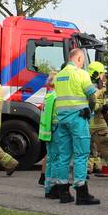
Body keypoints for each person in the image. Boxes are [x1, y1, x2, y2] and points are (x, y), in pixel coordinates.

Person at [50, 48, 100, 205]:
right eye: (83, 60)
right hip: (78, 119)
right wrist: (91, 109)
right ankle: (82, 193)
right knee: (81, 155)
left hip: (62, 120)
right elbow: (91, 95)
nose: (83, 63)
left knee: (63, 156)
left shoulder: (59, 76)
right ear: (78, 58)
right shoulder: (81, 74)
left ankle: (64, 193)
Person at [38, 68, 58, 198]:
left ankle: (48, 187)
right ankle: (52, 188)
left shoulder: (48, 96)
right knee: (55, 160)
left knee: (50, 159)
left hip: (46, 132)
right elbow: (55, 117)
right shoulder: (55, 97)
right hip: (54, 131)